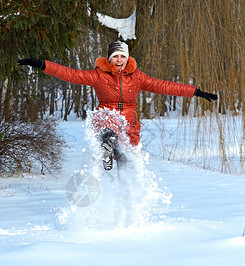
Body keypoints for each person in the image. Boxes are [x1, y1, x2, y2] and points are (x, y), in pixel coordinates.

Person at [18, 41, 217, 171]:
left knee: (126, 163)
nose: (119, 60)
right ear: (109, 59)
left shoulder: (138, 77)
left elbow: (164, 86)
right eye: (115, 56)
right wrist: (42, 64)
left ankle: (125, 197)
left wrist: (195, 91)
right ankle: (107, 148)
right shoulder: (98, 75)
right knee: (108, 124)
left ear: (127, 58)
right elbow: (71, 74)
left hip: (130, 123)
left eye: (122, 56)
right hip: (108, 117)